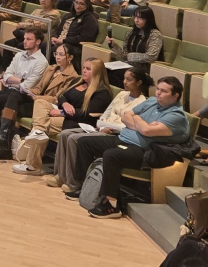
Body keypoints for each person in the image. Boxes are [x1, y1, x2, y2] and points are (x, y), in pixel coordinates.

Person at [71, 76, 190, 217]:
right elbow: (125, 116)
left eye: (163, 91)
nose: (158, 93)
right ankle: (83, 187)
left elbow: (146, 131)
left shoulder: (176, 116)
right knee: (85, 143)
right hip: (123, 139)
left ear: (175, 95)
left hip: (146, 151)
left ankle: (111, 206)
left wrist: (137, 118)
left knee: (112, 155)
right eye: (158, 89)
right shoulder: (152, 101)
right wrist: (141, 124)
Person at [47, 64, 147, 192]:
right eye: (124, 78)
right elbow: (106, 113)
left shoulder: (142, 102)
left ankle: (74, 182)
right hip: (101, 127)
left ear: (139, 82)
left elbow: (126, 125)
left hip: (114, 133)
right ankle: (61, 175)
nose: (124, 82)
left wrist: (106, 127)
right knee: (65, 133)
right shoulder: (122, 94)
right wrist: (100, 125)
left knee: (73, 138)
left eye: (129, 80)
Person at [11, 53, 110, 174]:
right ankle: (38, 132)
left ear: (98, 72)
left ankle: (32, 165)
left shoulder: (102, 92)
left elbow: (87, 113)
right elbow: (62, 95)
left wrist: (62, 112)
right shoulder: (78, 81)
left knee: (43, 124)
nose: (84, 71)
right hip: (65, 114)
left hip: (77, 122)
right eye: (84, 67)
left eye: (88, 69)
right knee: (40, 102)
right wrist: (65, 104)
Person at [52, 0, 99, 64]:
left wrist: (63, 41)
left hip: (74, 47)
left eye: (81, 4)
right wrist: (54, 37)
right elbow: (58, 30)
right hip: (60, 43)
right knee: (42, 46)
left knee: (51, 50)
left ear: (87, 5)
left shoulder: (90, 19)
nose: (77, 6)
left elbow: (84, 38)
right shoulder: (68, 15)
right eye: (76, 2)